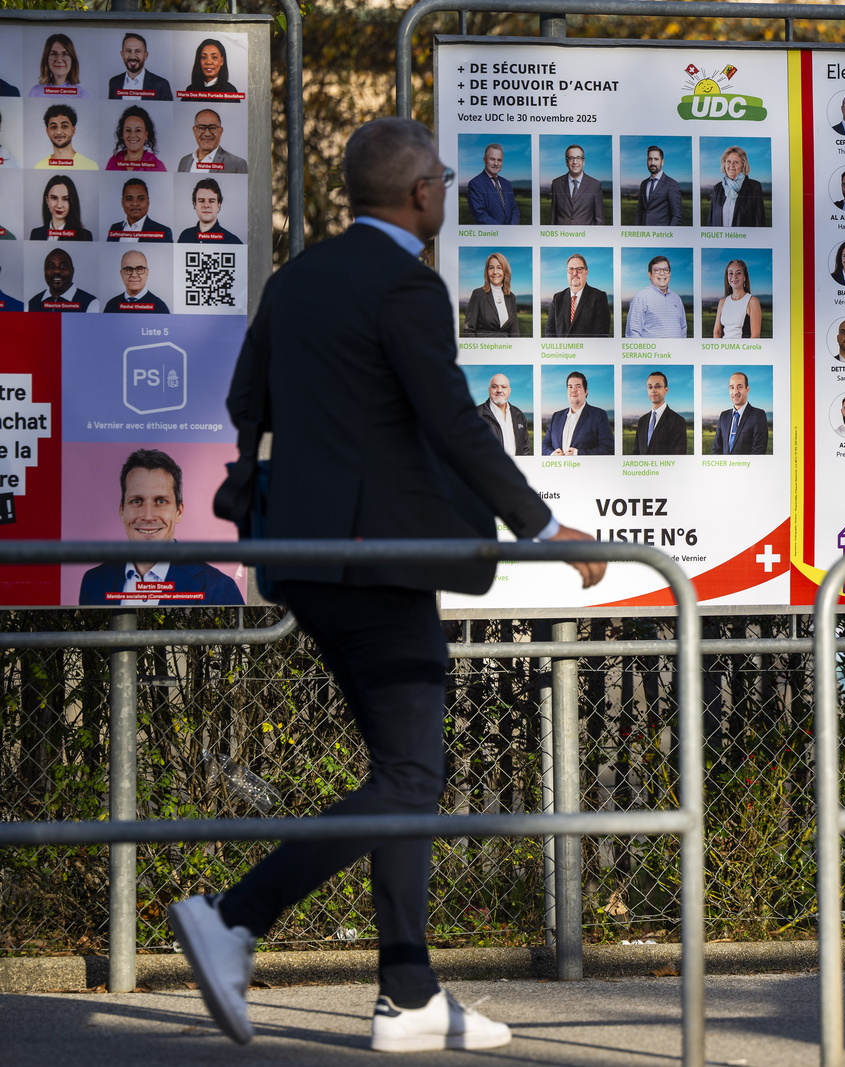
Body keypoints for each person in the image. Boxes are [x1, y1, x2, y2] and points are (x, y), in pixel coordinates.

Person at [172, 117, 601, 1054]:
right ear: (421, 194)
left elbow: (247, 403)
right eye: (441, 179)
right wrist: (542, 526)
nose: (443, 190)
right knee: (410, 775)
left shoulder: (296, 280)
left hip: (305, 557)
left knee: (405, 773)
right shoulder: (409, 283)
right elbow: (453, 418)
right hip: (379, 563)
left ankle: (409, 995)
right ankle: (234, 916)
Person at [77, 450, 243, 605]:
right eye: (137, 501)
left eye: (161, 501)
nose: (148, 516)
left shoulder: (219, 588)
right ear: (122, 511)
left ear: (179, 511)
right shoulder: (93, 582)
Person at [543, 369, 613, 455]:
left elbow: (608, 448)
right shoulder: (556, 416)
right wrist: (552, 454)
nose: (573, 390)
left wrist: (578, 453)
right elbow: (544, 445)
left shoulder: (599, 415)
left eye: (578, 386)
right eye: (570, 387)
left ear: (586, 391)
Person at [544, 252, 610, 337]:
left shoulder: (598, 297)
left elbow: (601, 335)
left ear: (586, 272)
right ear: (567, 273)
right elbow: (549, 333)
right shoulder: (558, 298)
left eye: (579, 269)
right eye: (571, 269)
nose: (575, 273)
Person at [625, 254, 687, 338]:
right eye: (657, 270)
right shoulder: (641, 297)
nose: (662, 273)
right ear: (649, 274)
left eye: (666, 270)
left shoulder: (677, 298)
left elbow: (683, 328)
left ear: (670, 273)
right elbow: (633, 333)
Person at [460, 252, 518, 337]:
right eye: (491, 268)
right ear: (487, 271)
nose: (495, 272)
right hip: (484, 345)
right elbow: (468, 330)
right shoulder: (478, 294)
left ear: (505, 271)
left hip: (506, 345)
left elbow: (514, 332)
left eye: (499, 268)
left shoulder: (511, 297)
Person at [708, 145, 766, 228]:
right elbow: (710, 221)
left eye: (736, 162)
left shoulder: (754, 187)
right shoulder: (717, 188)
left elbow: (760, 222)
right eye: (728, 161)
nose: (731, 165)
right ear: (724, 164)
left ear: (743, 165)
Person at [712, 371, 768, 455]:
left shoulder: (758, 415)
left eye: (739, 387)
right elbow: (716, 449)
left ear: (747, 389)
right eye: (732, 387)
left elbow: (758, 453)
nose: (735, 392)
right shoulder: (723, 416)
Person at [633, 370, 687, 455]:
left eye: (657, 386)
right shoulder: (641, 421)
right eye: (650, 387)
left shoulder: (678, 421)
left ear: (666, 390)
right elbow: (636, 453)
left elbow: (679, 457)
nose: (653, 390)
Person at [477, 373, 531, 456]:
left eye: (504, 387)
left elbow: (526, 449)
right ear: (489, 390)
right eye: (494, 386)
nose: (499, 390)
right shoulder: (475, 414)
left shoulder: (519, 414)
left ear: (509, 390)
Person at [464, 143, 518, 225]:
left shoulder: (507, 184)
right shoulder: (475, 184)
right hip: (491, 232)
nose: (496, 163)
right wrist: (502, 231)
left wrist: (512, 227)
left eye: (499, 160)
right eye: (492, 159)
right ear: (484, 160)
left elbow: (514, 209)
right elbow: (480, 216)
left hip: (511, 232)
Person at [177, 109, 248, 173]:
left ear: (220, 131)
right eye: (201, 128)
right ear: (194, 131)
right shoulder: (184, 161)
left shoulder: (237, 164)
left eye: (212, 128)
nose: (207, 134)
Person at [27, 248, 97, 311]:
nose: (57, 271)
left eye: (63, 266)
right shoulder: (31, 304)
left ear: (72, 271)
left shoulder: (90, 304)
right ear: (44, 271)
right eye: (51, 266)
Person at [550, 144, 604, 225]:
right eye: (571, 158)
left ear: (583, 162)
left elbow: (599, 220)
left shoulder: (595, 185)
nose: (575, 162)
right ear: (566, 162)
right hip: (562, 233)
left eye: (578, 158)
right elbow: (553, 217)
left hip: (585, 233)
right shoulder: (556, 184)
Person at [109, 33, 173, 100]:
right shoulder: (114, 82)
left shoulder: (161, 85)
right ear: (122, 55)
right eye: (128, 51)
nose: (133, 56)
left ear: (146, 55)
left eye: (138, 51)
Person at [108, 177, 173, 242]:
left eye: (140, 199)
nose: (135, 203)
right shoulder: (114, 228)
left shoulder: (163, 231)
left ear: (148, 202)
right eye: (129, 199)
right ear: (123, 202)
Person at [178, 177, 242, 243]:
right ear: (195, 204)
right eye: (201, 201)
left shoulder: (233, 241)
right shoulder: (185, 236)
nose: (206, 205)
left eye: (211, 201)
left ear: (218, 205)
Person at [104, 250, 170, 313]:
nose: (134, 275)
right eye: (128, 269)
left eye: (140, 269)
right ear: (121, 274)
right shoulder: (111, 305)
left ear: (147, 273)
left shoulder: (160, 308)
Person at [29, 174, 91, 241]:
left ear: (72, 202)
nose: (59, 205)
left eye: (65, 199)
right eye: (54, 198)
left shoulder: (84, 236)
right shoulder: (36, 234)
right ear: (47, 201)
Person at [34, 104, 97, 170]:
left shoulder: (90, 166)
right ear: (47, 132)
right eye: (53, 127)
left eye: (64, 126)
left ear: (73, 130)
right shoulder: (40, 166)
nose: (58, 132)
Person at [712, 258, 761, 339]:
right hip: (723, 346)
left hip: (743, 347)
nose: (734, 277)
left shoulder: (752, 301)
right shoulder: (722, 302)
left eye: (738, 273)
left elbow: (755, 335)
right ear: (727, 277)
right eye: (730, 273)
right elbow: (717, 332)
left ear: (745, 277)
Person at [106, 105, 166, 171]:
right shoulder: (113, 162)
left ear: (146, 135)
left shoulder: (157, 166)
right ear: (122, 134)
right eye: (128, 130)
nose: (132, 135)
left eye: (138, 130)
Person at [634, 145, 682, 225]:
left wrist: (668, 232)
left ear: (662, 162)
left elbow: (676, 216)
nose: (652, 163)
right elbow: (639, 212)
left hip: (662, 232)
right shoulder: (643, 184)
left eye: (656, 159)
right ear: (647, 161)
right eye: (650, 159)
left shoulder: (671, 184)